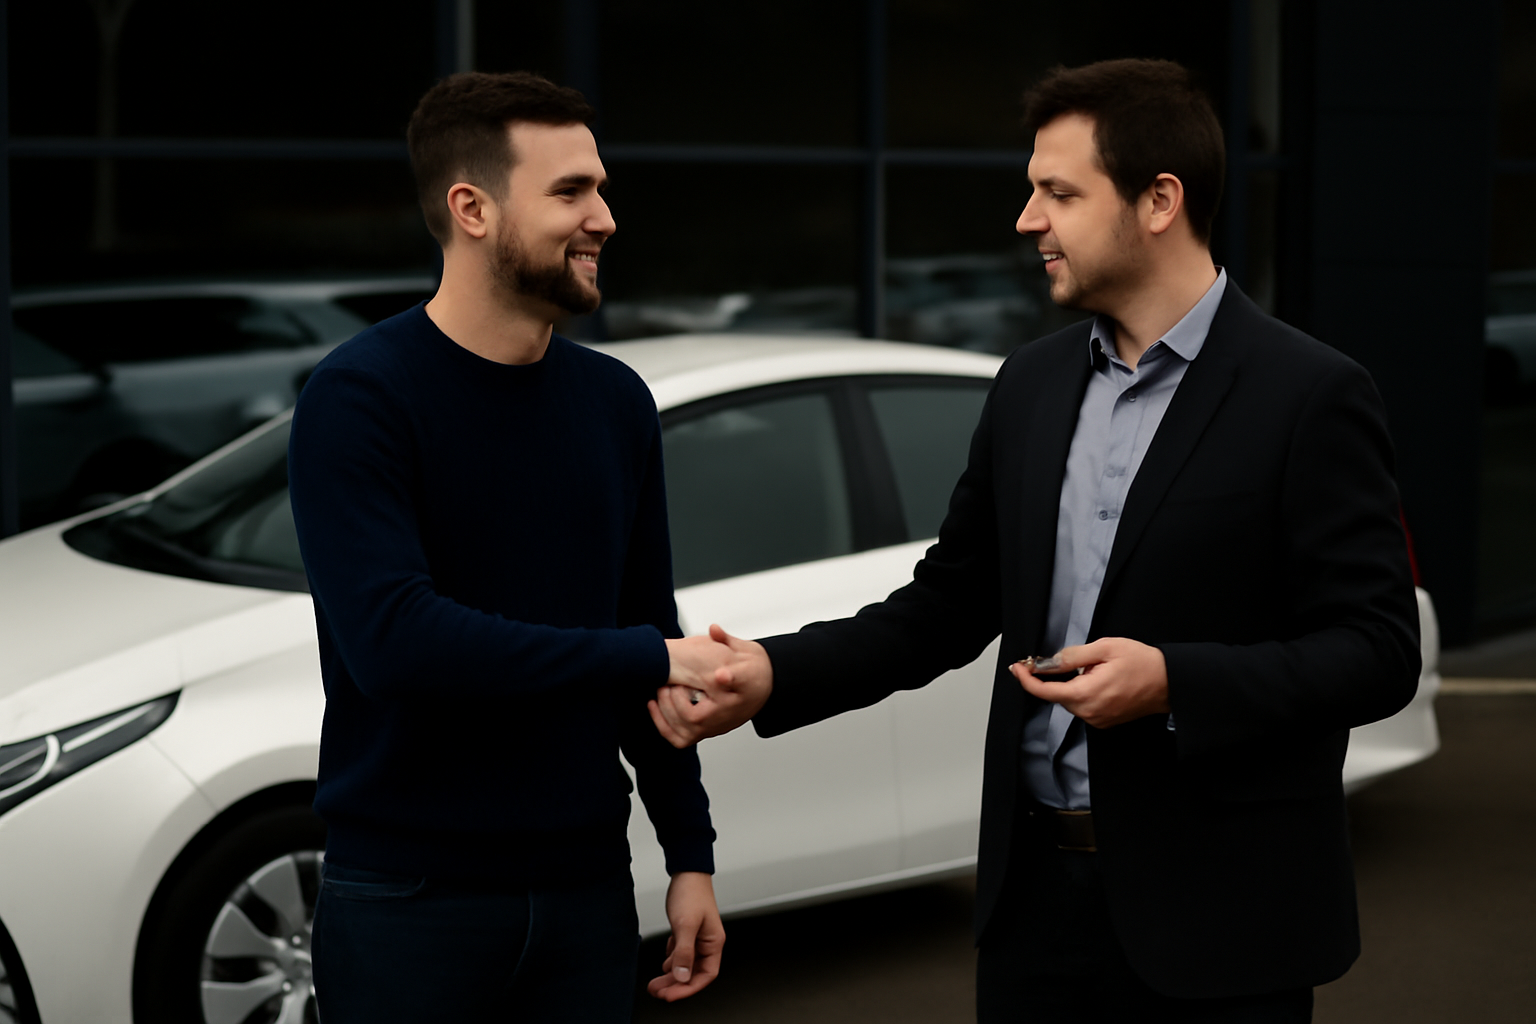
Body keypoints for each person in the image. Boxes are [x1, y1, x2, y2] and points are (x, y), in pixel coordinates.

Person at [655, 59, 1420, 1022]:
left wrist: (1175, 681)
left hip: (1222, 927)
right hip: (1032, 919)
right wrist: (772, 672)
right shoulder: (1029, 385)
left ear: (1159, 201)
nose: (1028, 219)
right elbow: (946, 605)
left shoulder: (1311, 395)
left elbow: (1380, 653)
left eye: (1058, 192)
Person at [289, 71, 723, 1021]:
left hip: (585, 895)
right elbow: (396, 642)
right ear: (471, 208)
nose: (604, 217)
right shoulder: (361, 398)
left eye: (601, 189)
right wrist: (646, 652)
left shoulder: (615, 404)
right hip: (410, 903)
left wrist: (689, 853)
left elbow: (643, 629)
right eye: (571, 192)